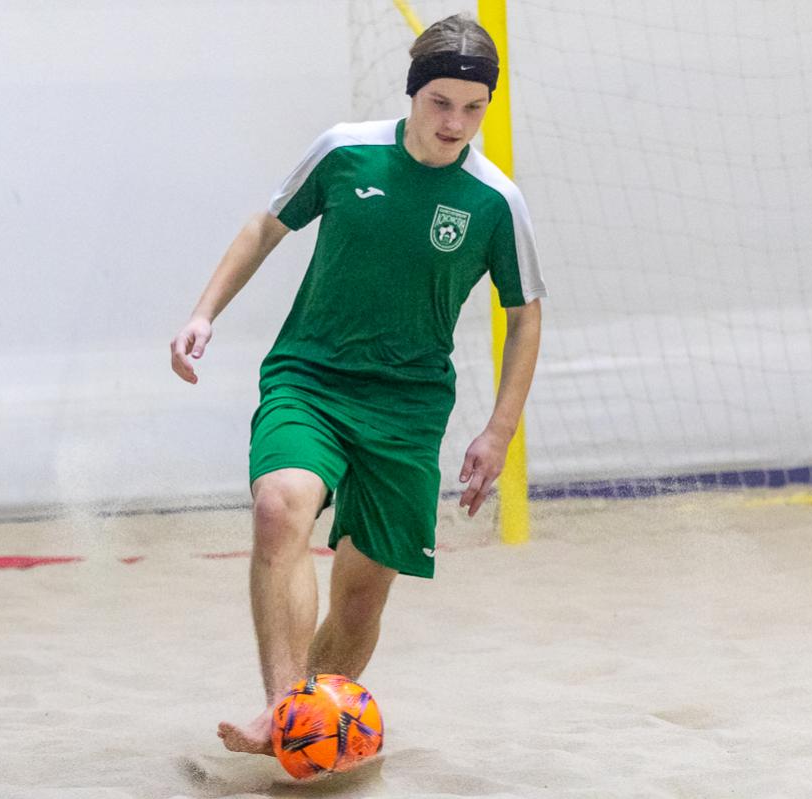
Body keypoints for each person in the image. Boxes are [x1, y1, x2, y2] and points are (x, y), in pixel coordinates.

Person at [170, 13, 545, 756]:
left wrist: (498, 430)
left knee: (361, 597)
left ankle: (310, 725)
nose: (455, 122)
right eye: (440, 102)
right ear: (413, 93)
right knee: (279, 506)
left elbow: (525, 315)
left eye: (473, 108)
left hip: (407, 410)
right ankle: (284, 710)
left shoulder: (495, 201)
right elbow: (264, 227)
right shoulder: (345, 151)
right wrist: (203, 313)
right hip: (310, 378)